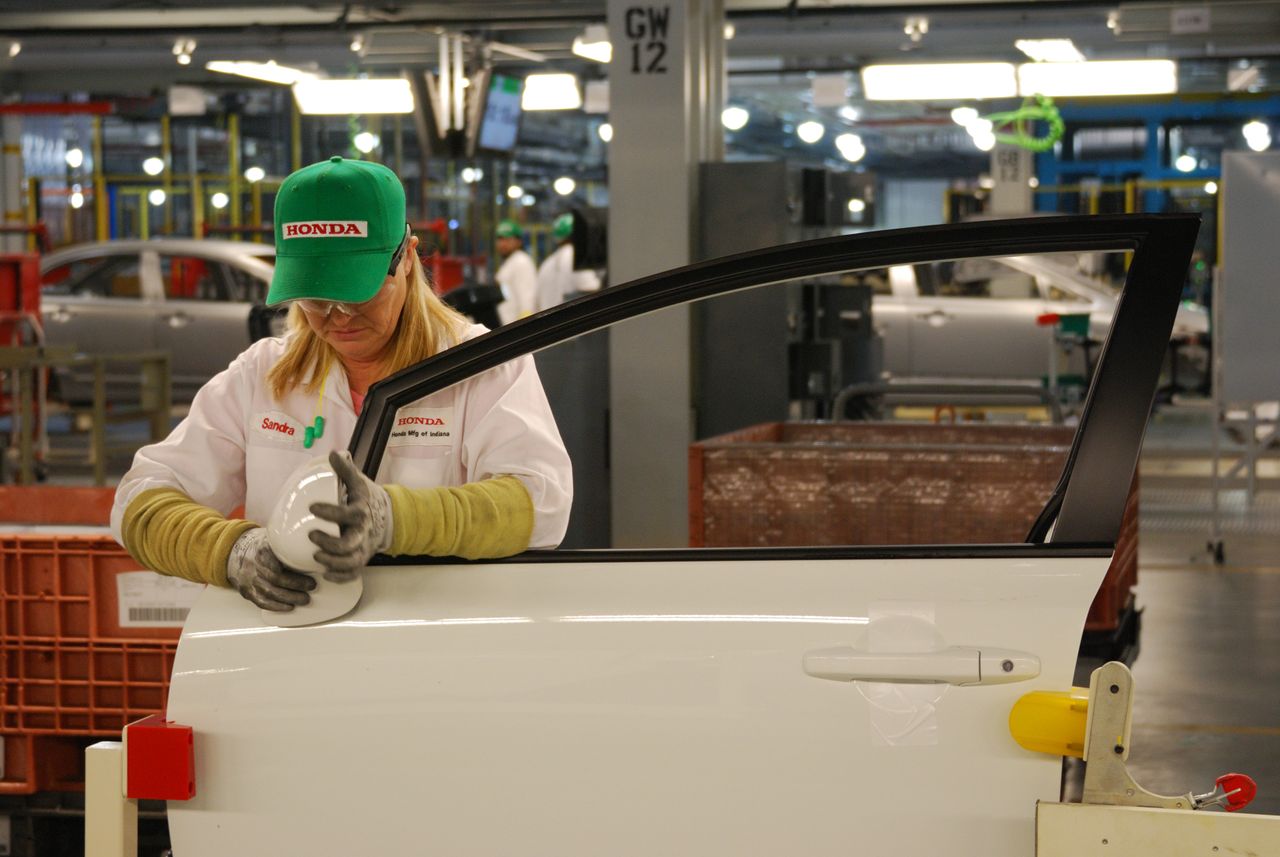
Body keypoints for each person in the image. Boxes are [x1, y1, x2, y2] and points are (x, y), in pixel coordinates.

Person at [110, 156, 572, 612]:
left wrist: (397, 520)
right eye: (315, 297)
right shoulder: (262, 375)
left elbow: (541, 505)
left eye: (356, 291)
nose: (338, 317)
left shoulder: (482, 367)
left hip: (437, 640)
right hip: (297, 645)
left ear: (406, 258)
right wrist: (229, 550)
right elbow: (141, 498)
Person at [535, 212, 601, 312]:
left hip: (548, 325)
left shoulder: (546, 264)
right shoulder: (576, 256)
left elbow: (536, 302)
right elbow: (592, 288)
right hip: (571, 323)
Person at [493, 218, 537, 325]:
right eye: (500, 239)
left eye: (507, 239)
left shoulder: (521, 262)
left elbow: (527, 300)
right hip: (507, 327)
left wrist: (525, 328)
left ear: (518, 242)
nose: (502, 244)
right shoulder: (510, 263)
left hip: (518, 329)